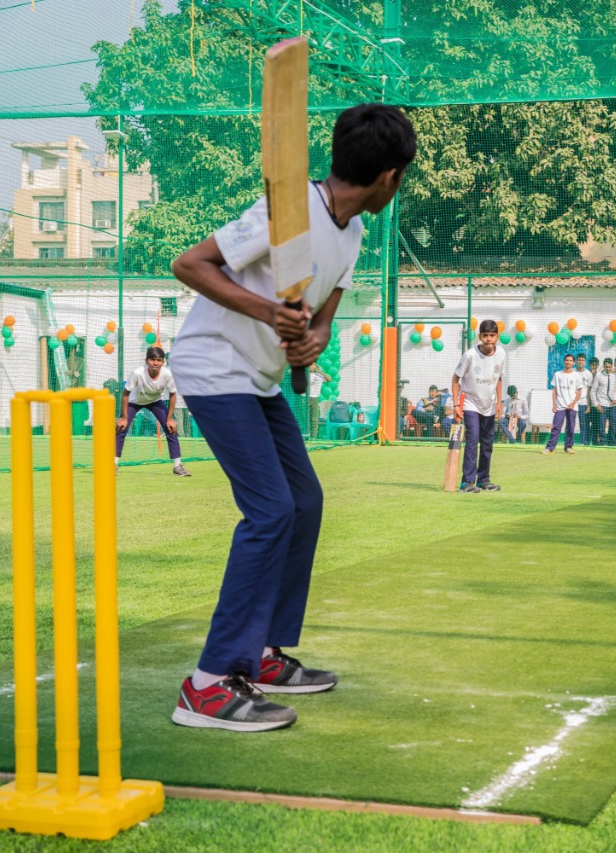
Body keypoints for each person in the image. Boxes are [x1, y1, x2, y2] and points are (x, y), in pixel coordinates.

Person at [167, 102, 416, 731]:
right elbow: (190, 264)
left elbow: (322, 317)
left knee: (303, 502)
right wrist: (267, 313)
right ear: (390, 176)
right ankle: (208, 683)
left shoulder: (353, 230)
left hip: (261, 380)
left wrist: (314, 337)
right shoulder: (290, 212)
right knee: (271, 509)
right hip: (214, 367)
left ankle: (266, 653)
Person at [116, 346, 189, 476]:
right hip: (135, 402)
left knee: (171, 428)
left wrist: (170, 418)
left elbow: (173, 394)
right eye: (152, 359)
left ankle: (177, 466)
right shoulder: (138, 373)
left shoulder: (167, 374)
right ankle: (113, 464)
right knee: (121, 428)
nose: (155, 363)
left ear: (163, 362)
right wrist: (124, 417)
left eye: (159, 360)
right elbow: (126, 393)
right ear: (146, 360)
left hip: (155, 402)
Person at [451, 319, 506, 492]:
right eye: (485, 335)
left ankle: (483, 479)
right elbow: (455, 379)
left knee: (488, 443)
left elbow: (499, 378)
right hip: (470, 403)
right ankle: (467, 482)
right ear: (479, 336)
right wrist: (455, 404)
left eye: (492, 335)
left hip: (489, 405)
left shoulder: (502, 354)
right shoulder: (470, 355)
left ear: (497, 336)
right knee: (473, 440)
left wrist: (498, 403)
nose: (489, 339)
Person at [542, 353, 582, 454]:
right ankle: (549, 448)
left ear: (573, 363)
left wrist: (573, 403)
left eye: (570, 360)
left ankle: (568, 447)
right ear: (564, 361)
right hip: (560, 405)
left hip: (572, 406)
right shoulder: (557, 374)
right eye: (566, 360)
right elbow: (554, 390)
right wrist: (554, 404)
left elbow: (579, 391)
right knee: (556, 427)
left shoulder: (576, 375)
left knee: (571, 428)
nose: (568, 362)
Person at [591, 357, 616, 446]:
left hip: (612, 406)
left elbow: (614, 390)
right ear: (603, 366)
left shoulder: (614, 376)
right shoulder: (599, 376)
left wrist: (615, 399)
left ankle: (612, 443)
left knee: (614, 425)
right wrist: (596, 405)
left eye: (609, 367)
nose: (608, 369)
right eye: (606, 367)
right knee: (601, 426)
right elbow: (593, 391)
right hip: (602, 404)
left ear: (612, 366)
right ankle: (602, 443)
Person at [306, 363, 331, 438]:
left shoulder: (319, 375)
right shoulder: (305, 374)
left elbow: (329, 379)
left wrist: (320, 372)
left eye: (313, 365)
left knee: (314, 419)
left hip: (315, 398)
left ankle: (313, 437)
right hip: (305, 398)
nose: (312, 366)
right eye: (310, 365)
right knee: (305, 419)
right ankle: (305, 436)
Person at [574, 353, 591, 445]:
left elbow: (589, 390)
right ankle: (568, 441)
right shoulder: (572, 372)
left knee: (583, 424)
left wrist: (588, 405)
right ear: (576, 361)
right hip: (573, 403)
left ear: (585, 362)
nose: (580, 362)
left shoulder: (588, 374)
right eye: (579, 360)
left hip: (583, 402)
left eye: (582, 360)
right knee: (570, 423)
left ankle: (583, 442)